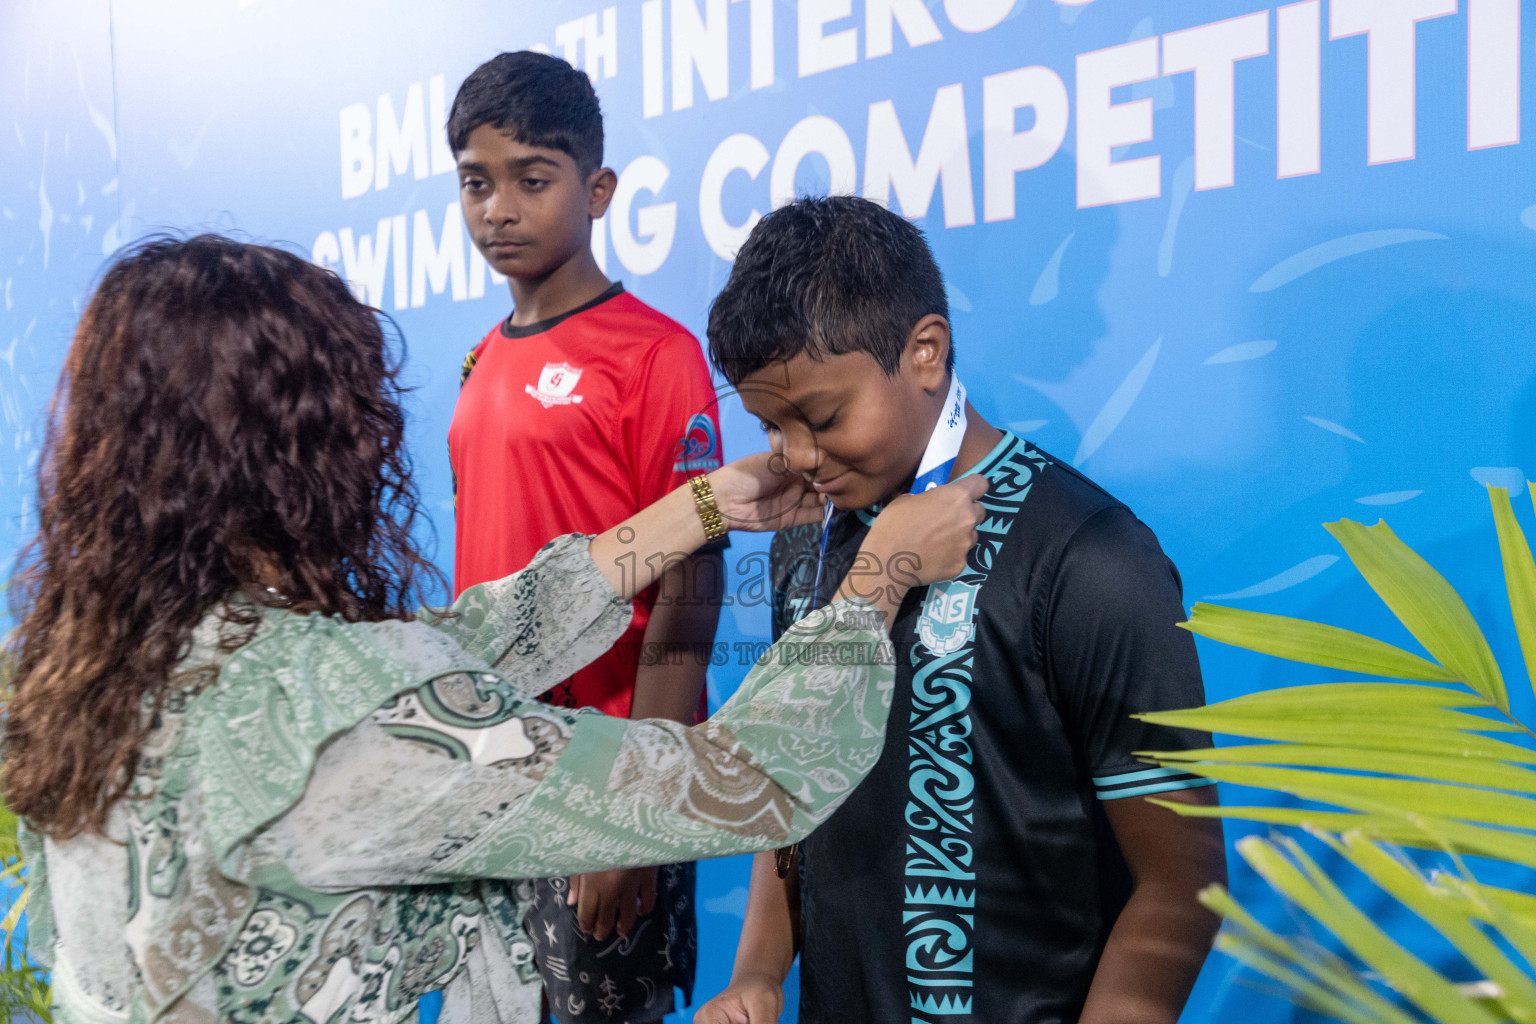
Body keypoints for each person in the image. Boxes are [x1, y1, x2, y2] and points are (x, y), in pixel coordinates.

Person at [1, 235, 989, 1024]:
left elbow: (464, 638)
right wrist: (878, 578)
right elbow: (739, 779)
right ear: (314, 453)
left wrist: (697, 510)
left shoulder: (72, 668)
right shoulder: (359, 727)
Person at [696, 196, 1227, 1024]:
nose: (798, 456)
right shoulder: (804, 546)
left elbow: (1180, 885)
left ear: (926, 353)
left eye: (824, 417)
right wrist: (759, 970)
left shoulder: (1090, 557)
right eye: (772, 425)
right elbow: (791, 781)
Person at [444, 52, 724, 1024]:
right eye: (476, 183)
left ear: (596, 188)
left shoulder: (655, 354)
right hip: (490, 778)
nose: (499, 209)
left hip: (602, 778)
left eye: (532, 178)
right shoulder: (482, 357)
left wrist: (632, 820)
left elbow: (691, 597)